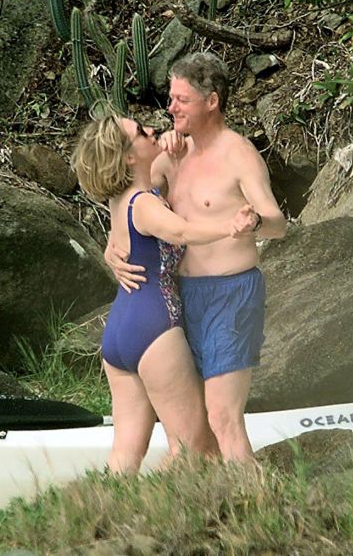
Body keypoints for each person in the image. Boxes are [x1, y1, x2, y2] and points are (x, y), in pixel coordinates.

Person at [105, 51, 288, 463]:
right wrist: (110, 252)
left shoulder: (239, 154)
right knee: (195, 431)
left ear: (212, 101)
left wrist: (254, 223)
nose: (170, 108)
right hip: (179, 298)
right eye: (170, 98)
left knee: (222, 415)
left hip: (230, 294)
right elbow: (127, 206)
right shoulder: (169, 156)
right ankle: (202, 503)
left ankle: (256, 503)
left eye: (181, 100)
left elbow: (278, 221)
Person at [71, 111, 258, 474]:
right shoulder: (143, 203)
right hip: (154, 329)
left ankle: (103, 517)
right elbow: (183, 232)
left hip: (119, 333)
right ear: (127, 156)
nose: (152, 130)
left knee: (125, 454)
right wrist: (231, 226)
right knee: (195, 449)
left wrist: (173, 150)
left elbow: (159, 182)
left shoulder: (121, 199)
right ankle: (167, 513)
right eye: (141, 132)